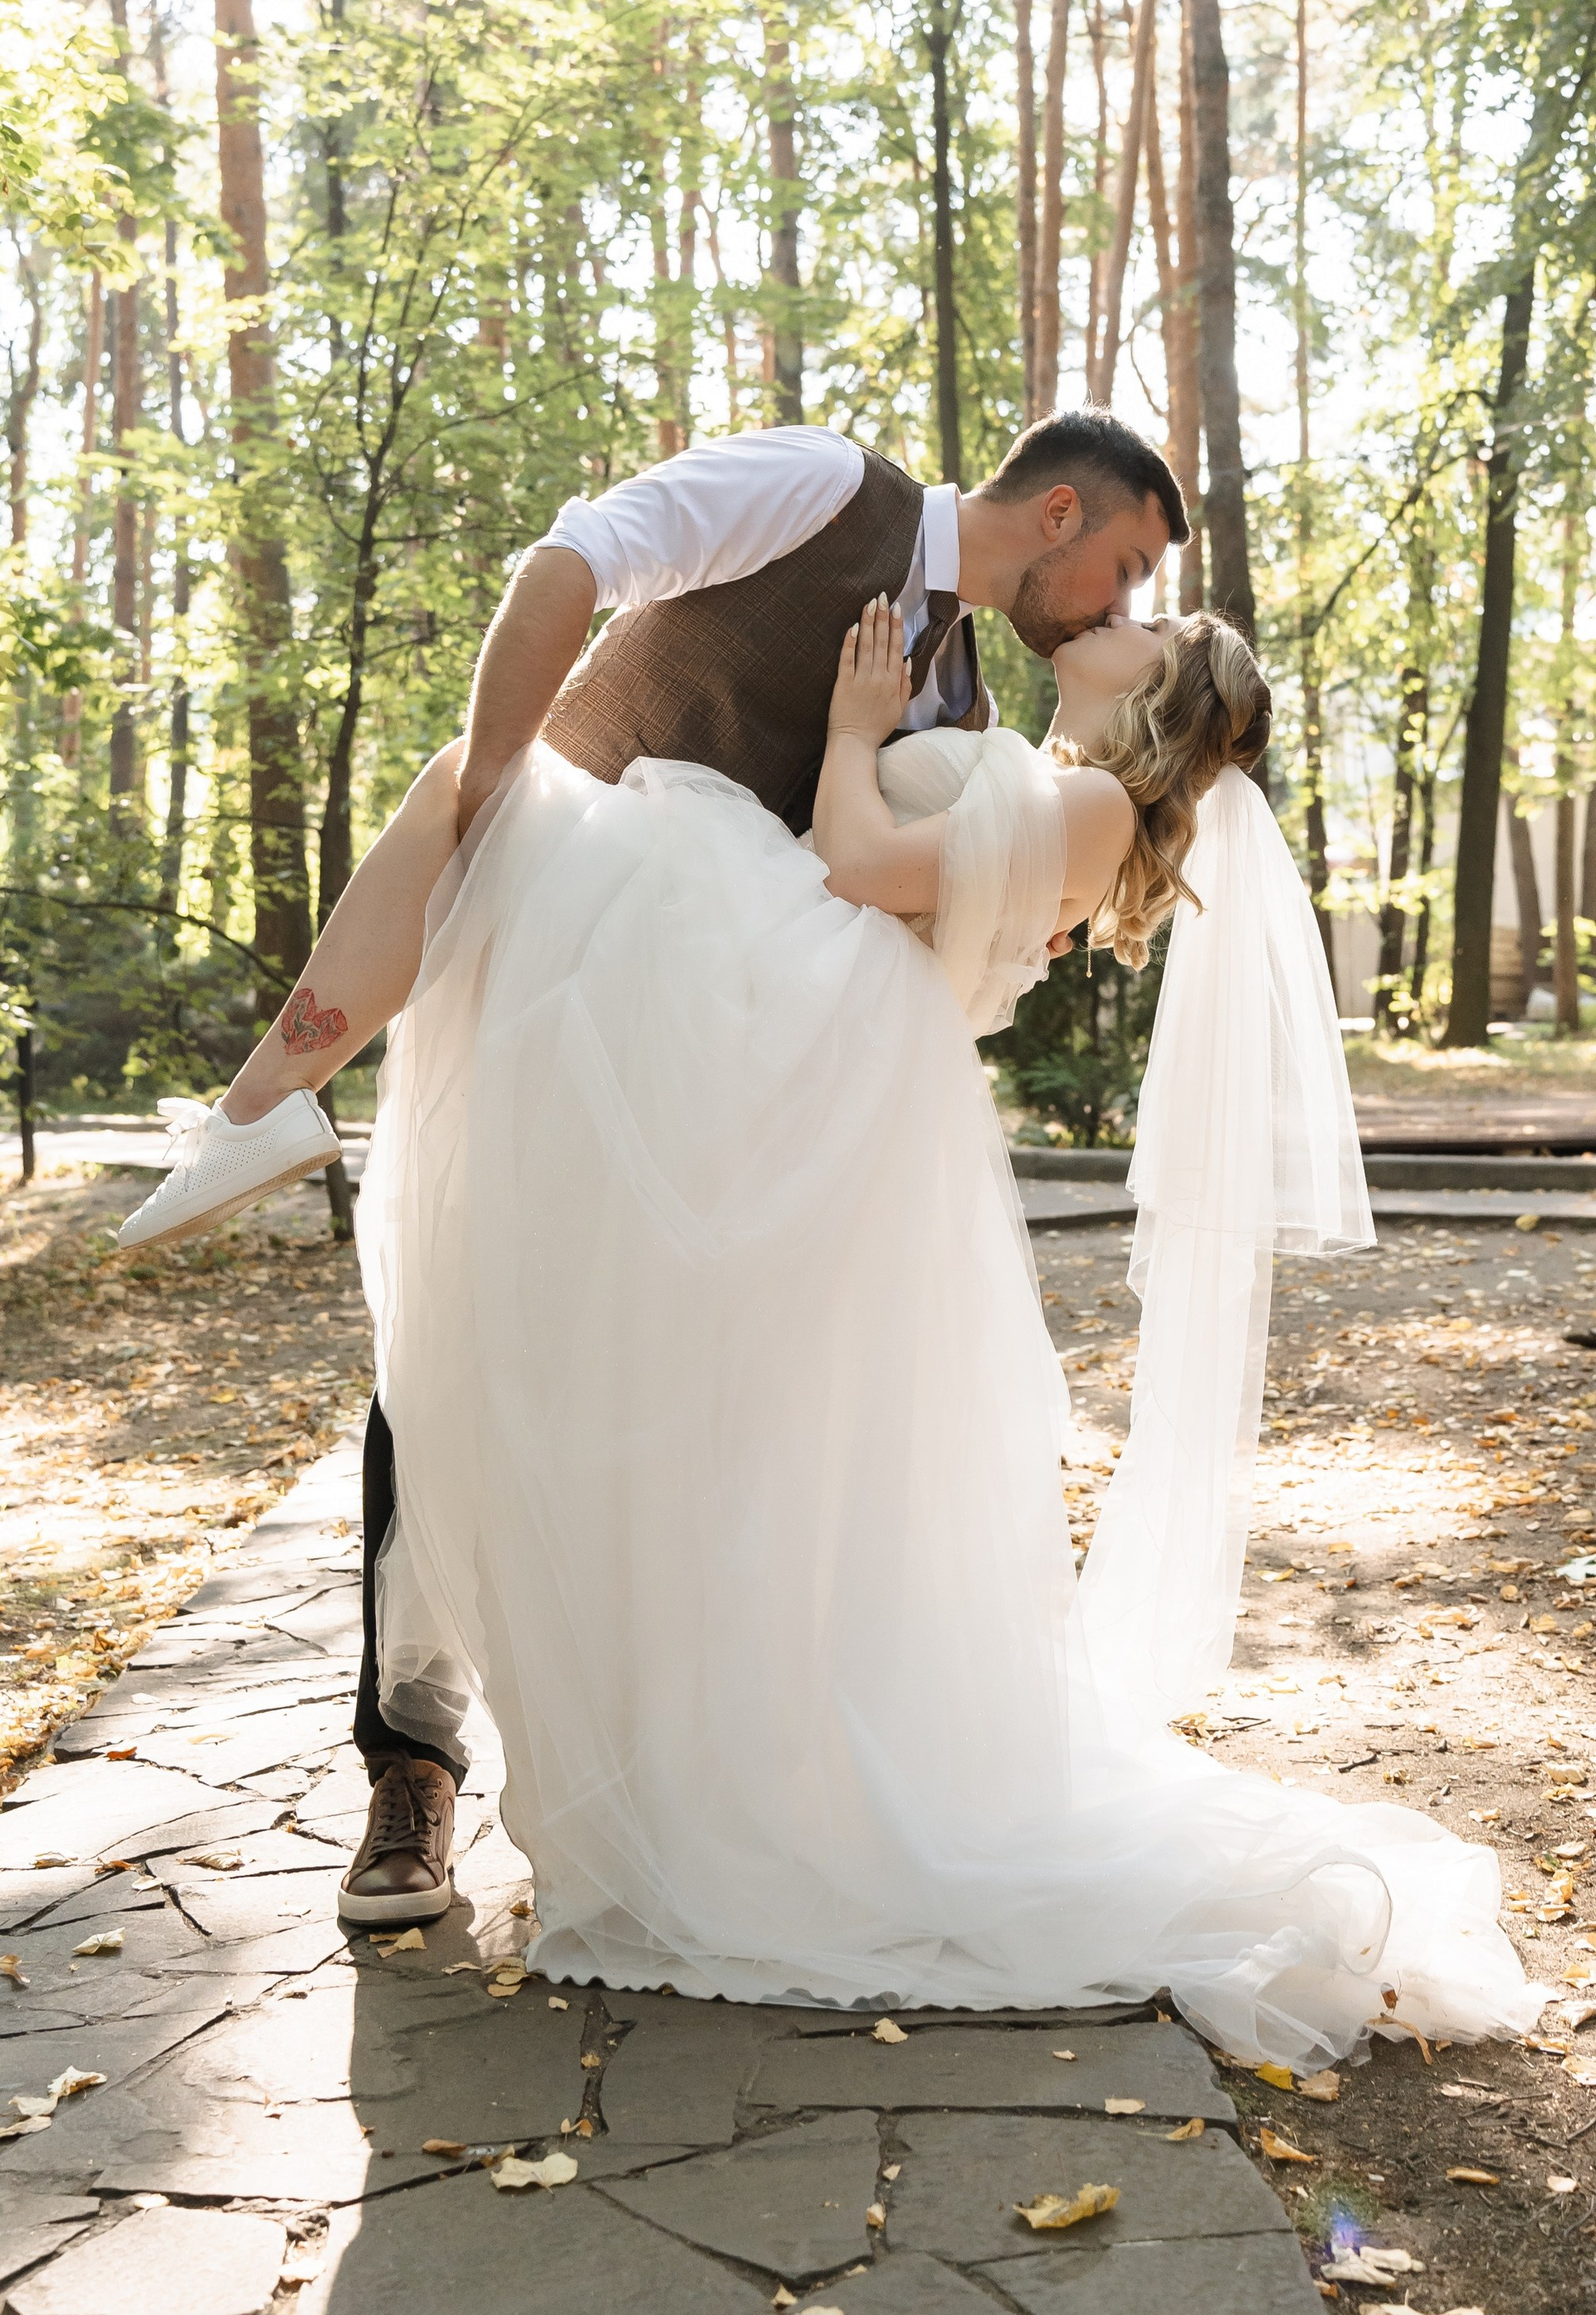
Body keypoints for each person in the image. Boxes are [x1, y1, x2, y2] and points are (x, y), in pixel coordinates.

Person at [350, 590, 1542, 2062]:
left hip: (839, 1060)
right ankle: (723, 1762)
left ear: (1163, 691)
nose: (1127, 611)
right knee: (768, 1453)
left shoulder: (1101, 804)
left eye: (1155, 621)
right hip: (822, 1069)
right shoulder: (1045, 766)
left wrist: (854, 732)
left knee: (802, 1457)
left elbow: (856, 867)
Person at [120, 410, 1185, 1923]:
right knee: (456, 1336)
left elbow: (866, 872)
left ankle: (659, 1760)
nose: (1120, 607)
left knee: (663, 1405)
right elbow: (574, 558)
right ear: (1064, 514)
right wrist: (500, 782)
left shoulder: (951, 684)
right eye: (1128, 566)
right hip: (566, 947)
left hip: (720, 1056)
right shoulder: (826, 486)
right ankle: (407, 1770)